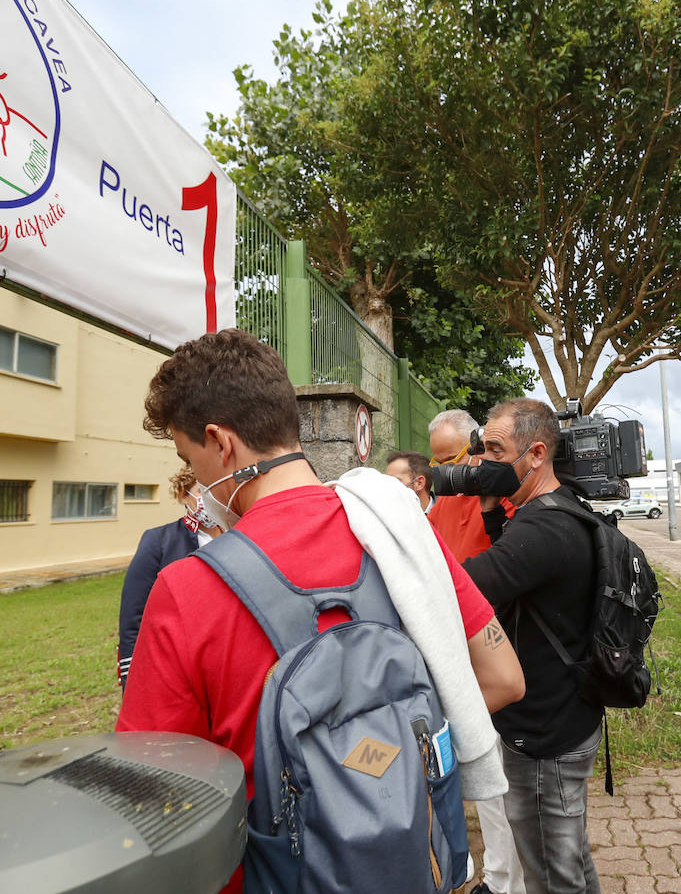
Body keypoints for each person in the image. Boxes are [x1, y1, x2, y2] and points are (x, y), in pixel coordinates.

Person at [116, 329, 524, 894]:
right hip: (416, 864)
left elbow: (154, 804)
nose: (199, 484)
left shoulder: (185, 589)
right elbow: (504, 677)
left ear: (220, 442)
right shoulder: (398, 533)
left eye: (191, 459)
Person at [461, 398, 603, 894]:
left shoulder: (544, 527)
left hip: (543, 734)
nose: (483, 462)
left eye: (495, 450)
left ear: (536, 452)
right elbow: (525, 581)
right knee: (569, 857)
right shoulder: (559, 509)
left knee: (550, 873)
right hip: (570, 713)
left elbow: (463, 588)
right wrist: (489, 511)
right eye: (481, 449)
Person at [425, 411, 528, 894]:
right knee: (483, 770)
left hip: (499, 645)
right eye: (438, 460)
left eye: (456, 458)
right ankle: (497, 874)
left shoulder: (505, 495)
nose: (449, 469)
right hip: (456, 645)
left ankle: (510, 879)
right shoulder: (445, 496)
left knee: (505, 777)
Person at [116, 465, 224, 689]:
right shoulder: (159, 541)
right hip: (179, 664)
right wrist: (132, 678)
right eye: (202, 491)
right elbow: (134, 613)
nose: (210, 499)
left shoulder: (239, 535)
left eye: (214, 490)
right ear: (183, 495)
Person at [428, 409, 502, 563]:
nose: (444, 471)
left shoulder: (500, 495)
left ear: (477, 448)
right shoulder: (445, 500)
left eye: (451, 461)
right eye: (439, 463)